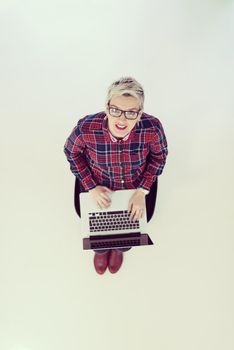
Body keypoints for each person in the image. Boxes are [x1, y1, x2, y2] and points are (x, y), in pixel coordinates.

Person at [64, 77, 168, 275]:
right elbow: (71, 152)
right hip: (97, 187)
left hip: (134, 189)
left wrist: (142, 191)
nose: (122, 119)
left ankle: (120, 249)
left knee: (127, 235)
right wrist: (91, 187)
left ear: (139, 113)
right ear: (107, 107)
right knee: (96, 234)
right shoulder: (86, 128)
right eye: (115, 110)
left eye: (131, 113)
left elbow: (159, 157)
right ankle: (101, 250)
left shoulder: (152, 128)